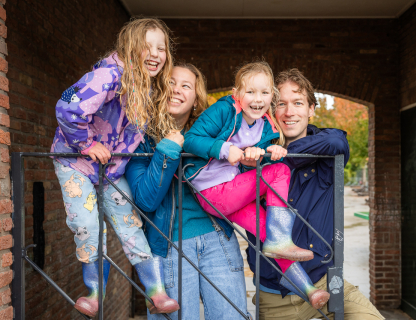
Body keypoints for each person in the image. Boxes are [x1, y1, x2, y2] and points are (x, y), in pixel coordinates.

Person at [51, 18, 179, 317]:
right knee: (87, 225)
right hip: (77, 164)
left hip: (111, 171)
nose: (156, 53)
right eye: (147, 46)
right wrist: (85, 144)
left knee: (130, 226)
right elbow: (68, 107)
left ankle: (156, 293)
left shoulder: (145, 86)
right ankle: (95, 294)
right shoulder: (108, 74)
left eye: (161, 48)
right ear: (129, 46)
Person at [183, 61, 330, 310]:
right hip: (212, 190)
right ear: (237, 93)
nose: (257, 99)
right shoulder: (224, 110)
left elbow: (256, 158)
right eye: (250, 92)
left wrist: (270, 150)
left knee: (269, 236)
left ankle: (309, 290)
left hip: (228, 196)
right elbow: (190, 140)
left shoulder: (267, 126)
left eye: (264, 93)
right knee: (280, 172)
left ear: (271, 96)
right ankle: (282, 239)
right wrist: (223, 149)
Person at [246, 68, 385, 320]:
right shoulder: (252, 154)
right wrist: (267, 154)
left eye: (298, 103)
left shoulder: (326, 147)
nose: (289, 112)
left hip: (325, 284)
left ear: (311, 109)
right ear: (269, 109)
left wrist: (285, 156)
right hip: (275, 293)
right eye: (281, 104)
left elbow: (338, 142)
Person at [126, 63, 250, 320]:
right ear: (159, 89)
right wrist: (168, 149)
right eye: (170, 82)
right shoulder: (138, 137)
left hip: (218, 240)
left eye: (186, 86)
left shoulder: (219, 134)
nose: (176, 90)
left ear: (196, 99)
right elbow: (145, 201)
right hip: (169, 245)